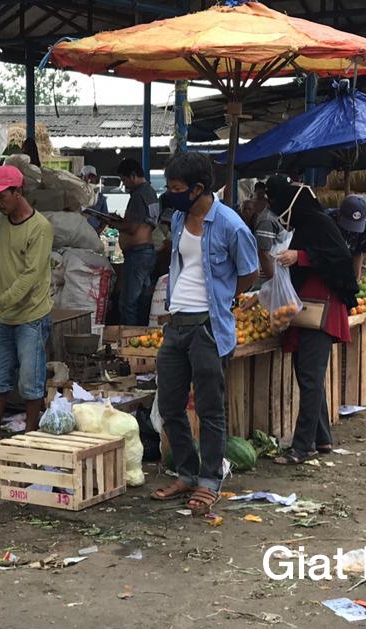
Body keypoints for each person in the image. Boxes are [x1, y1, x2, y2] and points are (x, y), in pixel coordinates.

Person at [148, 152, 258, 515]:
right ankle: (186, 471)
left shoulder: (231, 225)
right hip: (176, 323)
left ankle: (210, 480)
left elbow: (250, 273)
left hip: (208, 327)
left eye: (177, 189)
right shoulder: (179, 217)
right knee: (169, 404)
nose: (172, 194)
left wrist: (224, 298)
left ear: (198, 189)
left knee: (210, 408)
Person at [265, 176, 358, 466]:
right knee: (307, 375)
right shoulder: (306, 226)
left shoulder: (319, 223)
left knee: (310, 376)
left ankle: (302, 447)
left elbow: (339, 257)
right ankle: (322, 437)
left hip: (321, 312)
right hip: (306, 311)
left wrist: (300, 256)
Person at [0, 165, 53, 443]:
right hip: (6, 313)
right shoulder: (2, 222)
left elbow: (30, 278)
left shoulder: (40, 228)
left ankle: (30, 435)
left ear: (17, 192)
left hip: (31, 315)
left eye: (1, 197)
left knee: (30, 380)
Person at [108, 158, 160, 326]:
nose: (124, 185)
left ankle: (129, 336)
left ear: (132, 176)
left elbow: (132, 228)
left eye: (124, 180)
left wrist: (115, 224)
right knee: (142, 299)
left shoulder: (138, 195)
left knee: (128, 302)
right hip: (146, 252)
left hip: (138, 254)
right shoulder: (150, 192)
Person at [237, 180, 278, 282]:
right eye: (244, 209)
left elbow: (263, 253)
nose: (246, 212)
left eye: (249, 209)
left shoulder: (263, 218)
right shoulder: (239, 220)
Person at [326, 194, 366, 280]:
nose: (350, 230)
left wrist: (356, 279)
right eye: (348, 223)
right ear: (340, 214)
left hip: (346, 265)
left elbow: (358, 253)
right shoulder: (326, 220)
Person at [80, 165, 109, 233]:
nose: (90, 180)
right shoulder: (77, 194)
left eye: (92, 177)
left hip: (94, 232)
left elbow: (105, 218)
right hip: (78, 233)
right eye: (88, 177)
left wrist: (98, 231)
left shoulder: (100, 197)